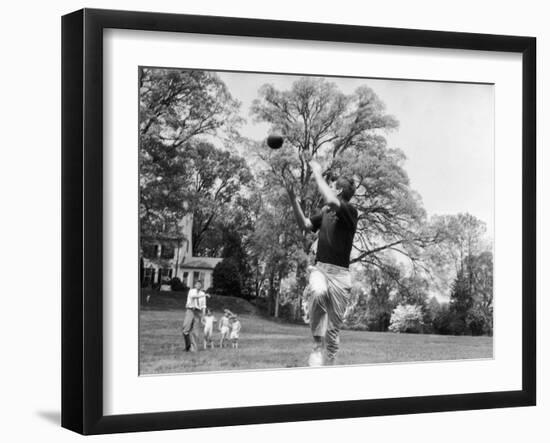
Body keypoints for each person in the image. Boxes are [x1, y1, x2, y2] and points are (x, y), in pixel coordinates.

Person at [284, 159, 358, 366]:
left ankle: (329, 367)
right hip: (321, 268)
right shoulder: (325, 212)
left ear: (340, 191)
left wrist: (317, 173)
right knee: (317, 292)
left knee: (333, 335)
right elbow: (305, 224)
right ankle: (317, 346)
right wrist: (293, 200)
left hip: (341, 277)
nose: (329, 188)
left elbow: (332, 201)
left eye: (333, 186)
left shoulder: (350, 211)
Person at [181, 281, 208, 352]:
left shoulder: (203, 293)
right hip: (190, 310)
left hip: (198, 312)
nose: (199, 285)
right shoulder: (191, 291)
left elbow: (203, 306)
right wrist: (204, 296)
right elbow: (193, 297)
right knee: (186, 328)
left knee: (196, 331)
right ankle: (188, 346)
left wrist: (203, 316)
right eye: (197, 284)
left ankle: (194, 348)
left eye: (200, 285)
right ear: (195, 285)